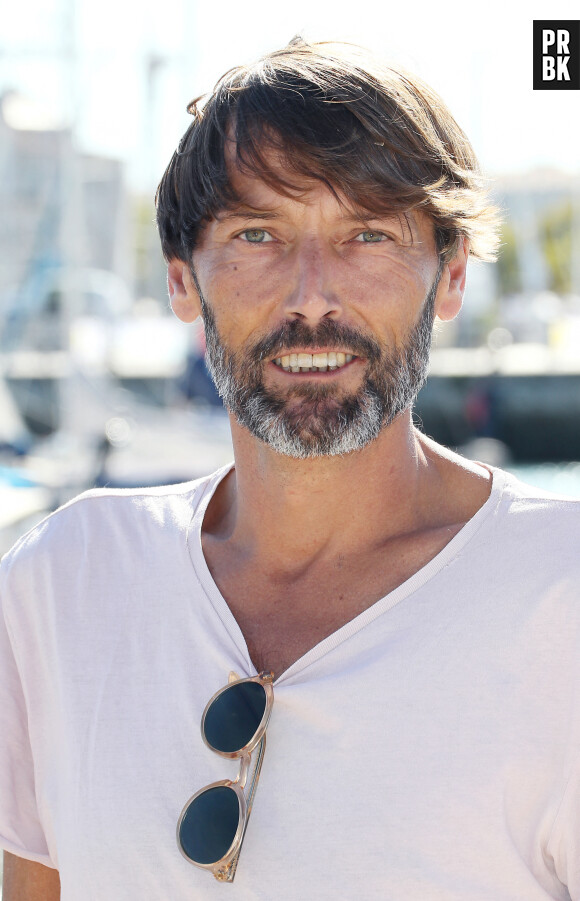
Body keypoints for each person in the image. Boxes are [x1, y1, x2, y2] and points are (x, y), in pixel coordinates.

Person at [1, 38, 579, 900]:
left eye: (368, 234)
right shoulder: (65, 580)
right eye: (258, 233)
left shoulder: (560, 597)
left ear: (450, 276)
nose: (313, 294)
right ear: (182, 281)